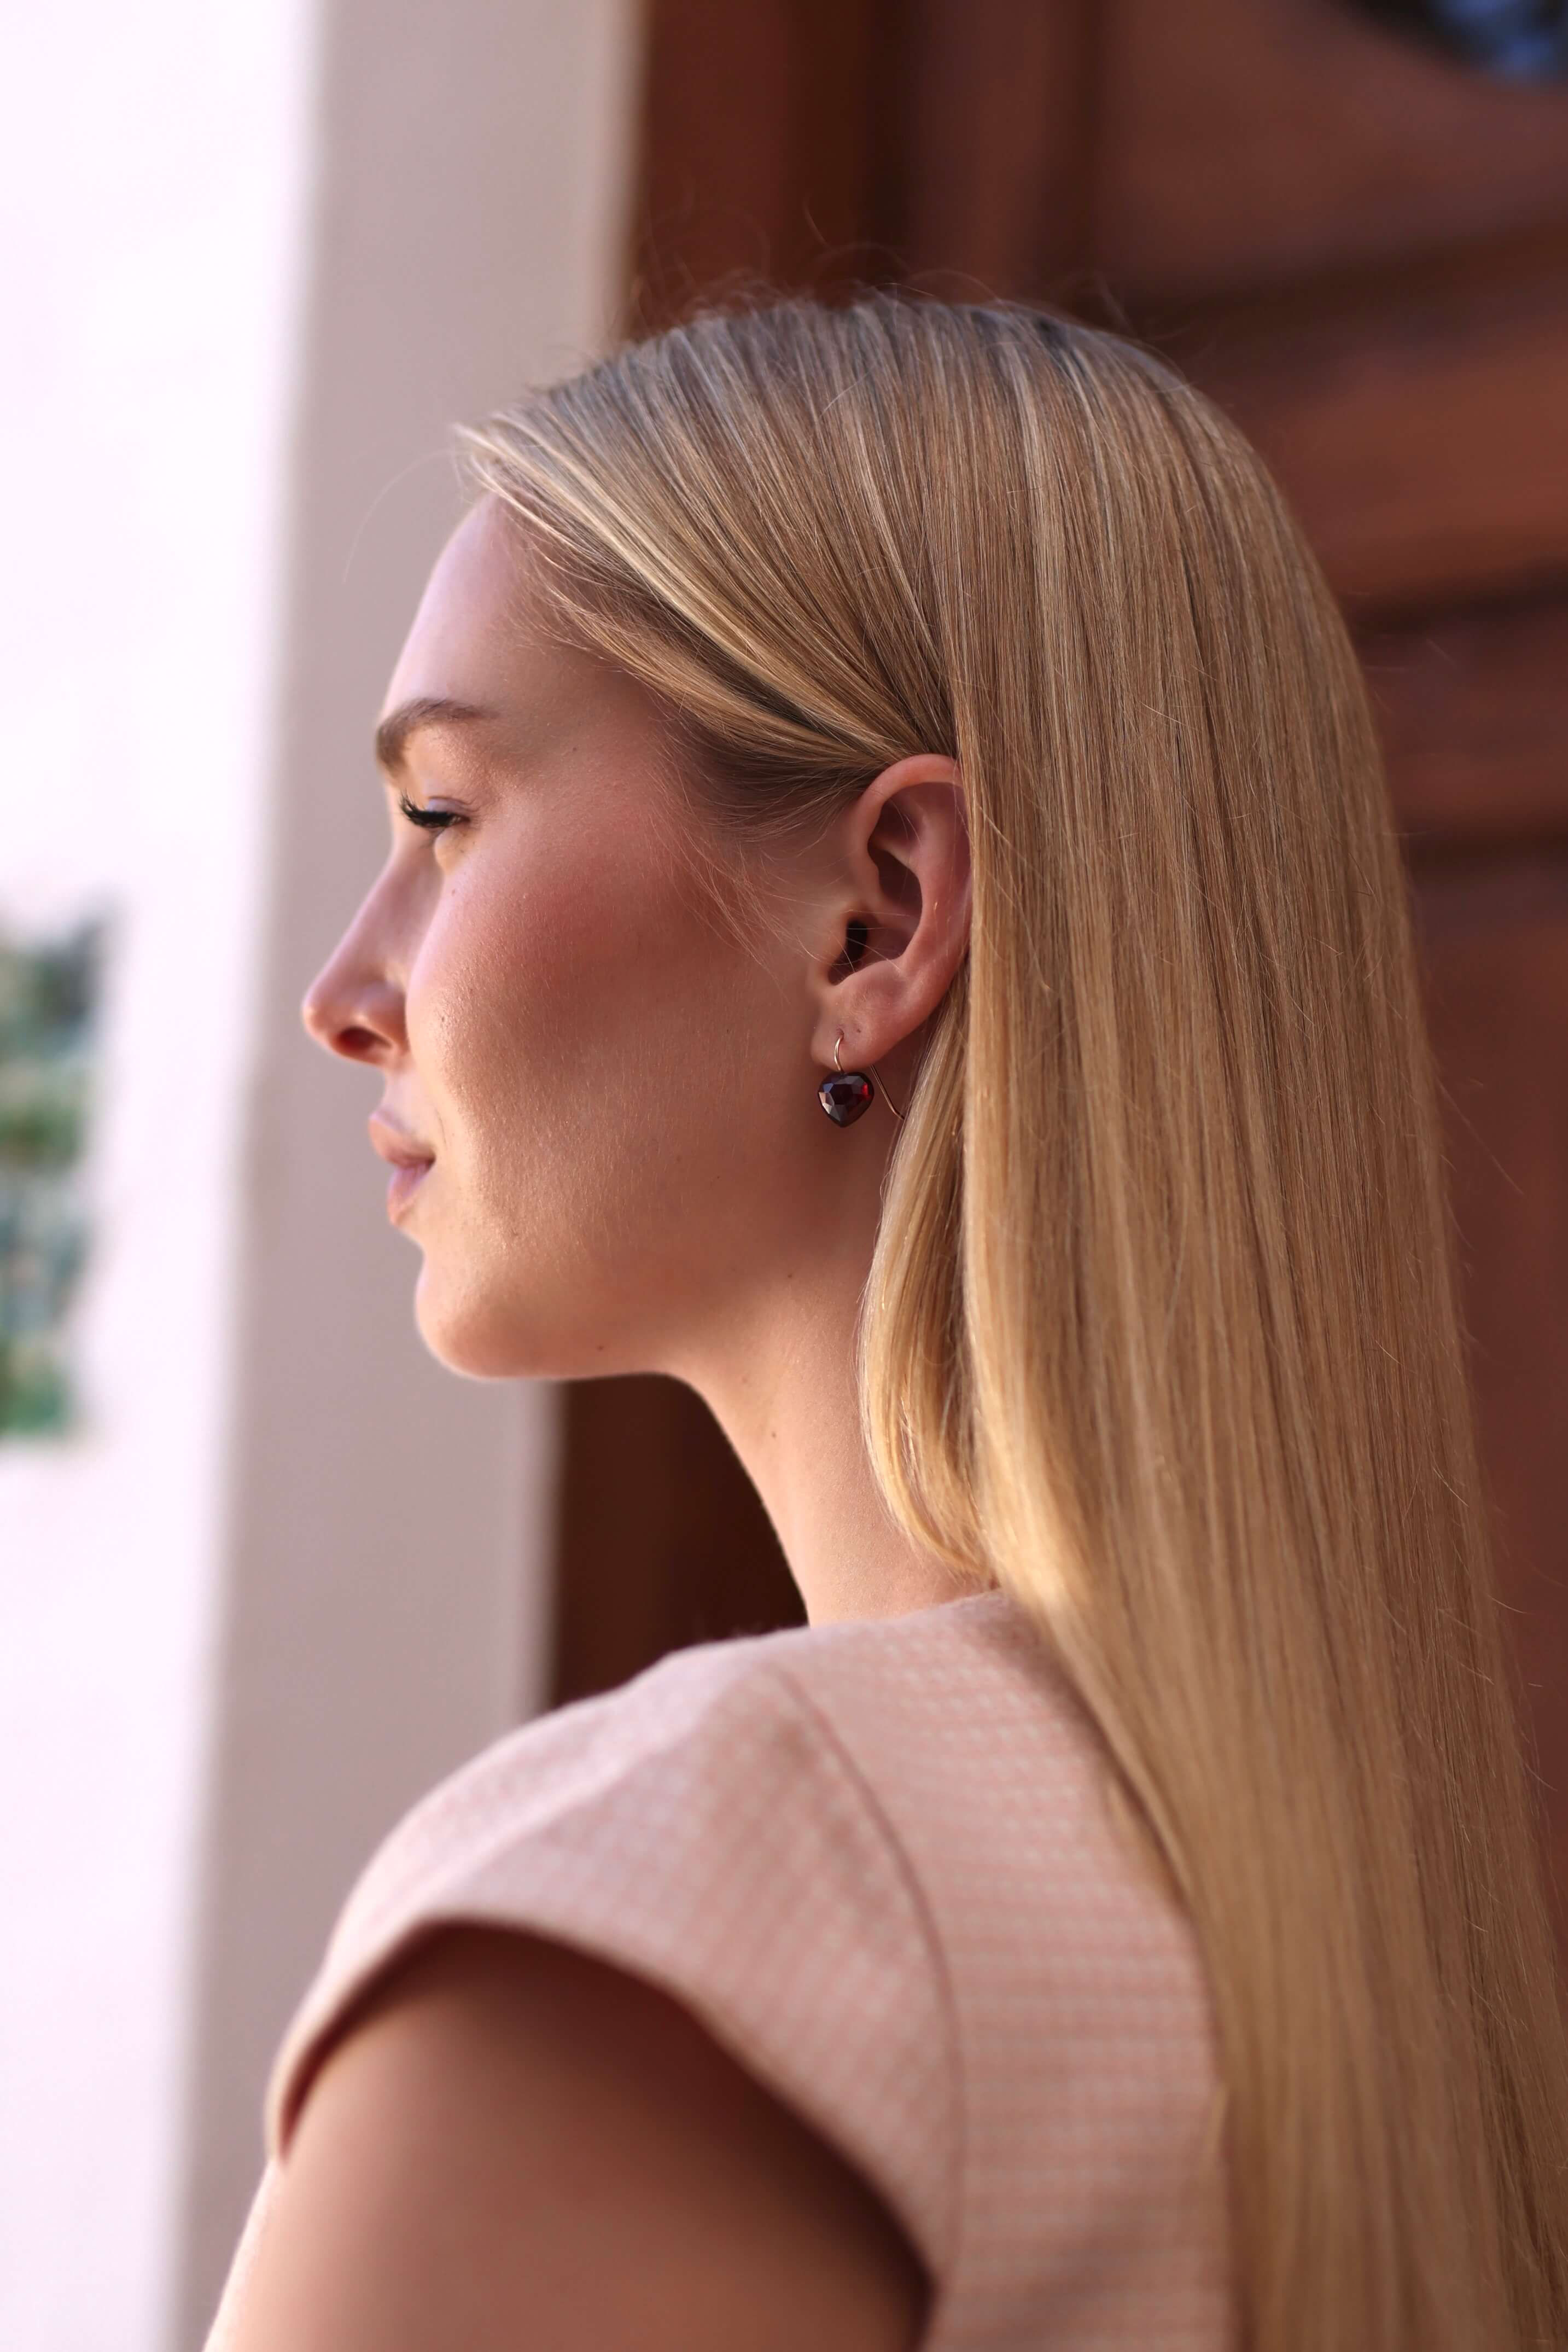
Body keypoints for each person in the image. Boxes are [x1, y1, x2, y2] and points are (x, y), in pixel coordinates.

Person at [204, 294, 1568, 2352]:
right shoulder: (1391, 1994)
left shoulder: (683, 1908)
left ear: (878, 916)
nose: (345, 985)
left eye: (442, 818)